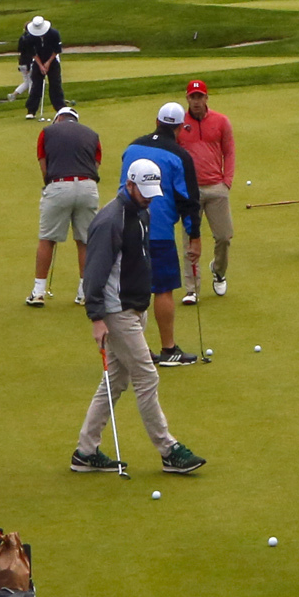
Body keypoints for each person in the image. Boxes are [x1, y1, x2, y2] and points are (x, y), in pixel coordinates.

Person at [70, 167, 209, 477]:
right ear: (129, 185)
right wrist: (96, 317)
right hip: (116, 312)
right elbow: (94, 273)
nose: (149, 200)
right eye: (144, 193)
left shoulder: (141, 212)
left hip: (135, 308)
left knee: (115, 382)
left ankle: (85, 451)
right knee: (147, 377)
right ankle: (168, 450)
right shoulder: (110, 221)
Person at [126, 103, 202, 365]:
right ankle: (169, 350)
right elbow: (189, 201)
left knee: (133, 289)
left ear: (156, 121)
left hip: (126, 227)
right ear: (181, 128)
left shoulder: (132, 147)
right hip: (159, 232)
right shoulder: (180, 155)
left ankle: (136, 350)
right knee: (163, 290)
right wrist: (195, 237)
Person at [28, 106, 104, 308]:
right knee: (85, 240)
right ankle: (84, 292)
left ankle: (38, 292)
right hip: (88, 186)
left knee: (47, 239)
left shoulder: (47, 132)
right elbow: (96, 164)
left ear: (58, 118)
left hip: (58, 184)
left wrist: (52, 184)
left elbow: (43, 164)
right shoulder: (92, 134)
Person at [177, 81, 237, 300]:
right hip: (189, 192)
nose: (196, 101)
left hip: (216, 187)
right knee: (189, 241)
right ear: (187, 98)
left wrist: (226, 181)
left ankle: (219, 272)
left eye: (200, 96)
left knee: (224, 236)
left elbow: (229, 152)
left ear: (206, 98)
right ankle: (192, 289)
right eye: (192, 97)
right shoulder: (179, 123)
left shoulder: (221, 121)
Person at [17, 17, 62, 118]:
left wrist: (48, 63)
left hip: (53, 60)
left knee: (55, 84)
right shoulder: (30, 37)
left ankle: (60, 108)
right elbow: (32, 53)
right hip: (38, 62)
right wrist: (41, 65)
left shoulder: (54, 34)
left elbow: (57, 50)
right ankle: (31, 111)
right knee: (36, 85)